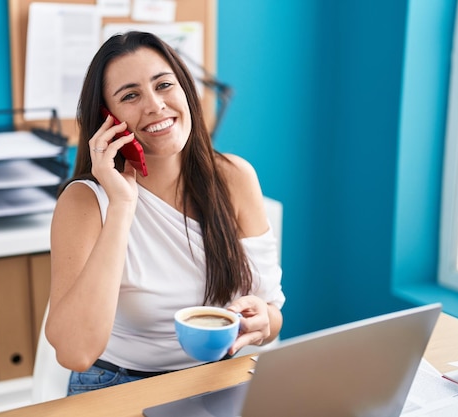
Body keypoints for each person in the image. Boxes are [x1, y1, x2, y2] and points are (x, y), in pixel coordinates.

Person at [46, 31, 285, 396]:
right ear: (107, 119)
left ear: (185, 91)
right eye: (130, 95)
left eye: (163, 85)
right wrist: (123, 207)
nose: (156, 105)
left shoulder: (235, 178)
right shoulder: (84, 203)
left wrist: (263, 322)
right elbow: (76, 352)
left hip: (217, 381)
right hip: (120, 385)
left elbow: (272, 315)